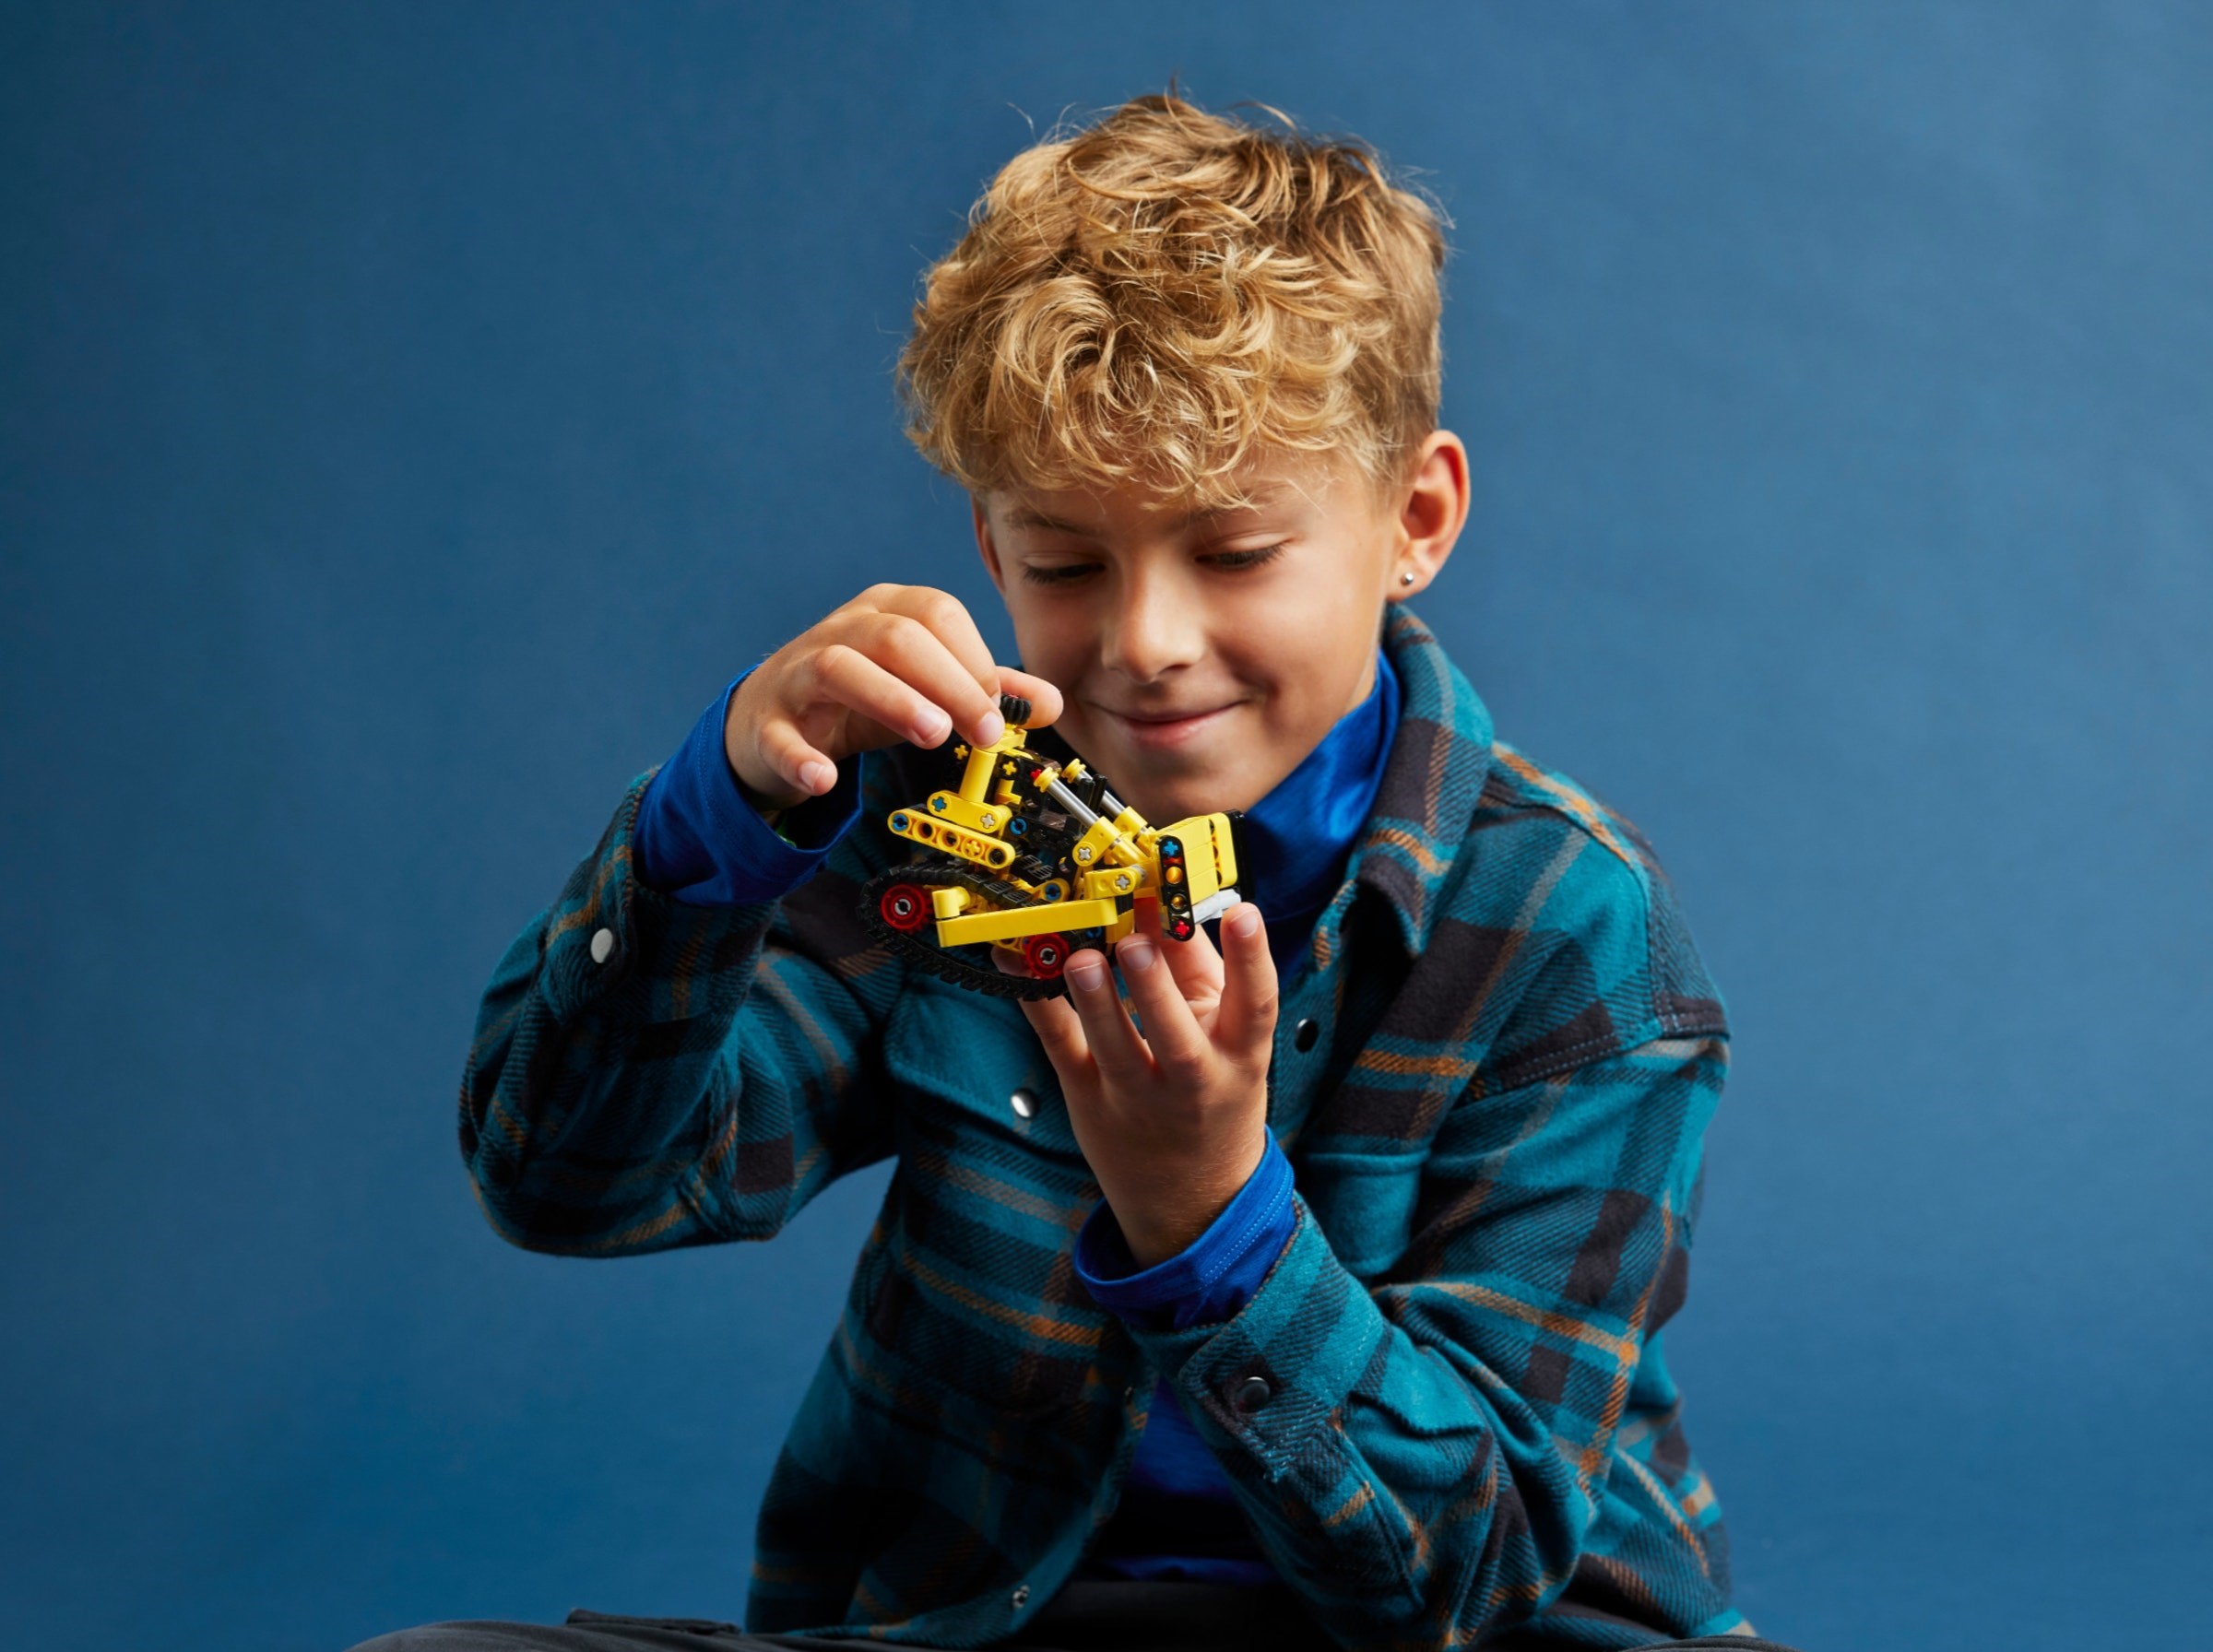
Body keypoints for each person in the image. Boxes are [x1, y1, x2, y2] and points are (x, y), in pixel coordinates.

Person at [355, 92, 1804, 1652]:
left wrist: (1206, 1213)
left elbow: (1461, 1574)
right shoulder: (931, 817)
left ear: (1417, 520)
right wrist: (708, 833)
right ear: (990, 552)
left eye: (1235, 554)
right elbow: (567, 1182)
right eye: (1064, 563)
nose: (1145, 644)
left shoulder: (1572, 931)